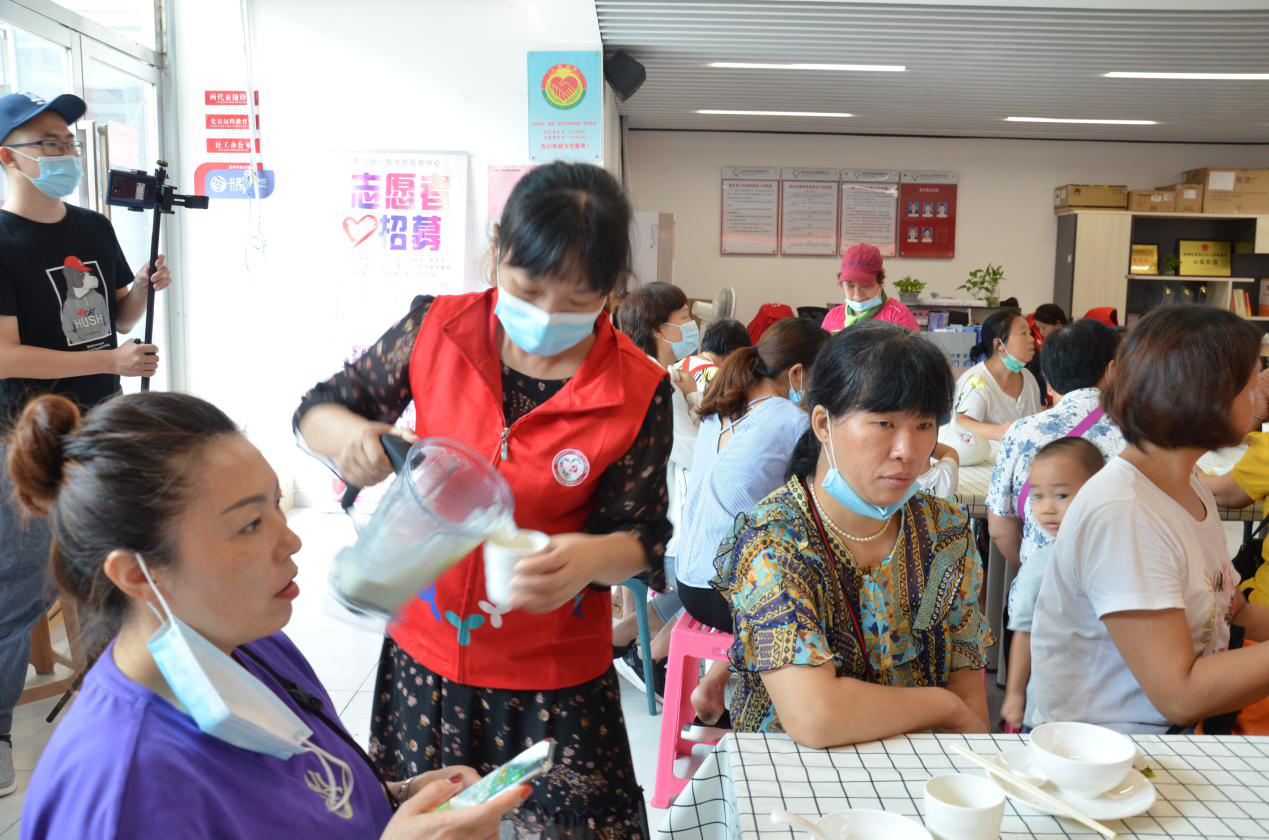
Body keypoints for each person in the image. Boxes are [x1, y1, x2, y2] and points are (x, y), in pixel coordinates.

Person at [295, 162, 669, 838]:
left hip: (555, 678)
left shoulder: (637, 388)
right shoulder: (436, 329)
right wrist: (351, 437)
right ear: (497, 251)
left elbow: (642, 537)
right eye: (528, 289)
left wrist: (588, 558)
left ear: (612, 289)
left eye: (578, 299)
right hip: (426, 661)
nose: (547, 314)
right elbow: (319, 409)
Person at [12, 392, 526, 839]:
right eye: (250, 525)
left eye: (276, 505)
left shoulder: (252, 648)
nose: (291, 539)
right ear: (137, 574)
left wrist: (401, 798)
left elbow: (306, 796)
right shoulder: (119, 791)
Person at [0, 91, 170, 798]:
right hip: (25, 436)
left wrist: (142, 290)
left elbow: (113, 316)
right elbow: (5, 355)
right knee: (17, 587)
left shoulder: (94, 226)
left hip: (102, 424)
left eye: (68, 141)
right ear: (8, 157)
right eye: (47, 143)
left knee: (114, 572)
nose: (64, 153)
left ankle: (120, 713)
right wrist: (109, 360)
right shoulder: (1, 239)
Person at [714, 322, 992, 746]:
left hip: (923, 771)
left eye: (924, 425)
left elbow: (968, 688)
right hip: (798, 773)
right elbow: (816, 716)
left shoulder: (947, 532)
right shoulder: (774, 540)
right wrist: (944, 707)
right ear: (823, 424)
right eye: (883, 423)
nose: (908, 451)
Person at [1030, 306, 1269, 733]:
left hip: (1170, 742)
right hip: (1106, 753)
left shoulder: (1189, 486)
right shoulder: (1124, 512)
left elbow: (1233, 610)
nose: (1259, 396)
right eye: (1250, 384)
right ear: (1204, 395)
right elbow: (1180, 695)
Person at [676, 317, 828, 727]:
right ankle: (786, 716)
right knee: (825, 595)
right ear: (797, 374)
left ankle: (713, 682)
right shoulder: (793, 421)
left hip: (688, 579)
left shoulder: (721, 406)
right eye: (822, 379)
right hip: (724, 593)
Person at [612, 282, 700, 686]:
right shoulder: (659, 381)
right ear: (659, 329)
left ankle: (625, 642)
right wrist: (696, 400)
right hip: (660, 521)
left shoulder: (648, 373)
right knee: (710, 581)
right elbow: (694, 450)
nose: (692, 325)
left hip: (638, 513)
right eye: (685, 318)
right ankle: (642, 653)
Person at [986, 319, 1123, 575]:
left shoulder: (1022, 431)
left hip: (1040, 586)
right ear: (1112, 370)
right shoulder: (1139, 432)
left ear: (1048, 378)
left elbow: (999, 528)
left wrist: (1033, 574)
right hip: (1116, 585)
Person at [999, 438, 1105, 731]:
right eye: (1037, 496)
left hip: (1105, 711)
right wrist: (1015, 695)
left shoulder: (1114, 558)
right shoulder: (1040, 568)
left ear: (1099, 492)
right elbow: (1024, 634)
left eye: (1061, 495)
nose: (1047, 508)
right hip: (1050, 714)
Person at [938, 310, 1040, 459]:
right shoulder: (976, 381)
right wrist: (999, 431)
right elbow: (960, 423)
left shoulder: (1029, 379)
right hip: (983, 462)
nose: (1031, 339)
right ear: (999, 344)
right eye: (1023, 333)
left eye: (1030, 333)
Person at [820, 244, 918, 333]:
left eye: (866, 285)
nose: (857, 295)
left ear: (879, 281)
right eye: (850, 285)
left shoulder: (897, 316)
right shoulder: (833, 317)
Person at [1026, 304, 1068, 405]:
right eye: (1039, 328)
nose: (1041, 332)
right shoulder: (1049, 342)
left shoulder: (1069, 345)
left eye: (1043, 327)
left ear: (1058, 324)